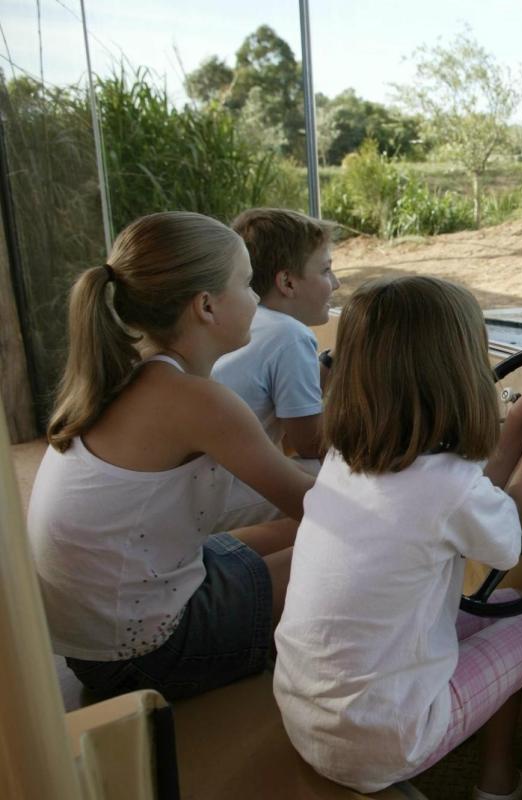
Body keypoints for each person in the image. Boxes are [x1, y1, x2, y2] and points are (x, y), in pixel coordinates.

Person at [273, 276, 522, 800]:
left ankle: (499, 784)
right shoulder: (443, 487)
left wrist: (521, 416)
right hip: (382, 738)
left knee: (511, 608)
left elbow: (476, 498)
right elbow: (509, 522)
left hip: (312, 715)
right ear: (457, 373)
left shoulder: (350, 458)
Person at [27, 211, 314, 701]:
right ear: (205, 305)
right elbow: (322, 508)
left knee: (295, 534)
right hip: (146, 656)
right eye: (246, 285)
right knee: (344, 543)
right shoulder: (195, 400)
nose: (254, 299)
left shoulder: (128, 375)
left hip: (102, 638)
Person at [211, 208, 339, 529]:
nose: (335, 283)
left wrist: (330, 362)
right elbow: (309, 443)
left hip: (201, 484)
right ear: (287, 282)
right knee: (351, 483)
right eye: (326, 271)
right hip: (213, 498)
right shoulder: (289, 334)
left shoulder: (249, 323)